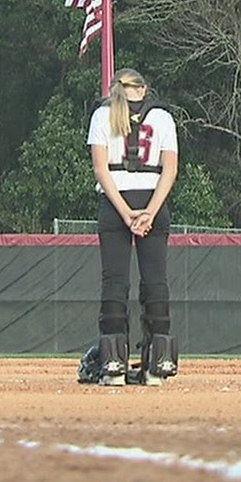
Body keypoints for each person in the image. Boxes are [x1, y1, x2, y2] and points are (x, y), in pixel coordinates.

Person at [86, 68, 180, 387]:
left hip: (116, 204)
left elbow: (101, 169)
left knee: (114, 281)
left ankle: (113, 362)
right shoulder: (163, 117)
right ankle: (158, 362)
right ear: (142, 89)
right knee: (155, 281)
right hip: (153, 197)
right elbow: (170, 169)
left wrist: (126, 214)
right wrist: (150, 212)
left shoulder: (103, 114)